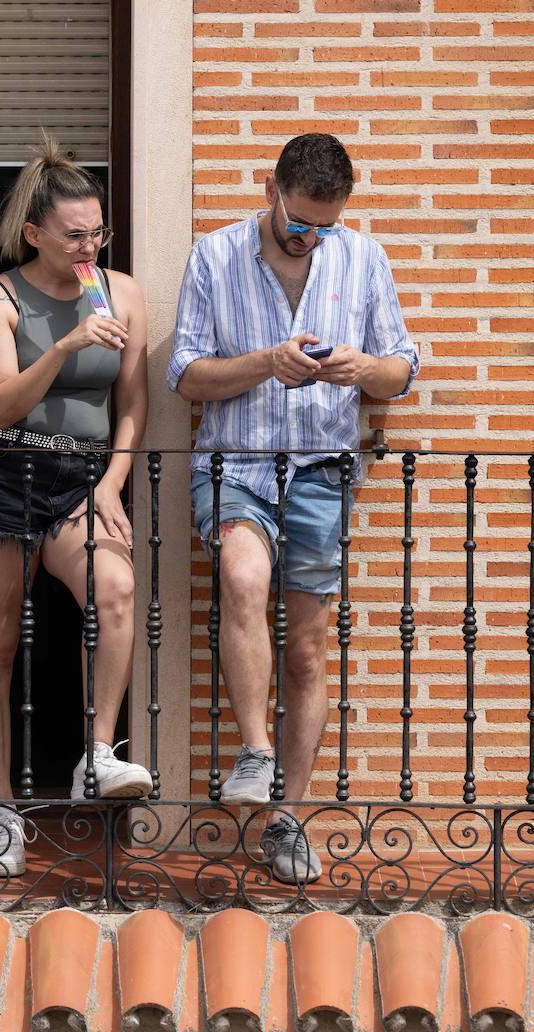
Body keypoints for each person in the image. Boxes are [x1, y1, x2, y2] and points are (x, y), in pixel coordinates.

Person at [169, 133, 419, 884]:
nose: (311, 237)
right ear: (270, 188)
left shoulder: (362, 258)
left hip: (321, 472)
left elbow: (401, 367)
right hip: (236, 466)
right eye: (300, 222)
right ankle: (255, 750)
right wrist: (265, 364)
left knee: (309, 649)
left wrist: (363, 368)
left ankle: (288, 820)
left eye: (325, 226)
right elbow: (185, 374)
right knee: (244, 580)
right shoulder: (214, 257)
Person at [0, 135, 151, 878]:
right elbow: (4, 400)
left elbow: (132, 402)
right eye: (75, 235)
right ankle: (0, 810)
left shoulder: (119, 291)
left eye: (99, 232)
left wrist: (113, 482)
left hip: (81, 479)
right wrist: (60, 348)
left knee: (115, 589)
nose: (90, 246)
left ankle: (96, 753)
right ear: (35, 234)